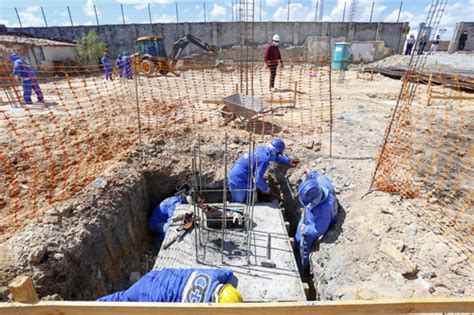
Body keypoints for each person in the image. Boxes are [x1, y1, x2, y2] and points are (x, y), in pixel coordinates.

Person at [97, 268, 243, 303]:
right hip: (154, 296)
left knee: (122, 298)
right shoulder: (201, 307)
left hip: (158, 275)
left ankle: (93, 306)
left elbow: (230, 274)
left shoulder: (214, 276)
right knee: (126, 303)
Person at [228, 139, 298, 203]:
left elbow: (274, 157)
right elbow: (257, 179)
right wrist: (266, 189)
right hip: (238, 180)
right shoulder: (264, 160)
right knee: (240, 206)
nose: (278, 156)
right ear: (275, 152)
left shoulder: (263, 150)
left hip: (243, 176)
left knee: (252, 202)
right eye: (278, 154)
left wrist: (288, 161)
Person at [294, 171, 338, 267]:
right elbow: (315, 175)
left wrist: (305, 229)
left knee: (304, 243)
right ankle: (296, 245)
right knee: (298, 234)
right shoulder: (322, 182)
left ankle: (303, 266)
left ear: (313, 201)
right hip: (312, 213)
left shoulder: (323, 211)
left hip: (318, 223)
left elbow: (318, 230)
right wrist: (308, 172)